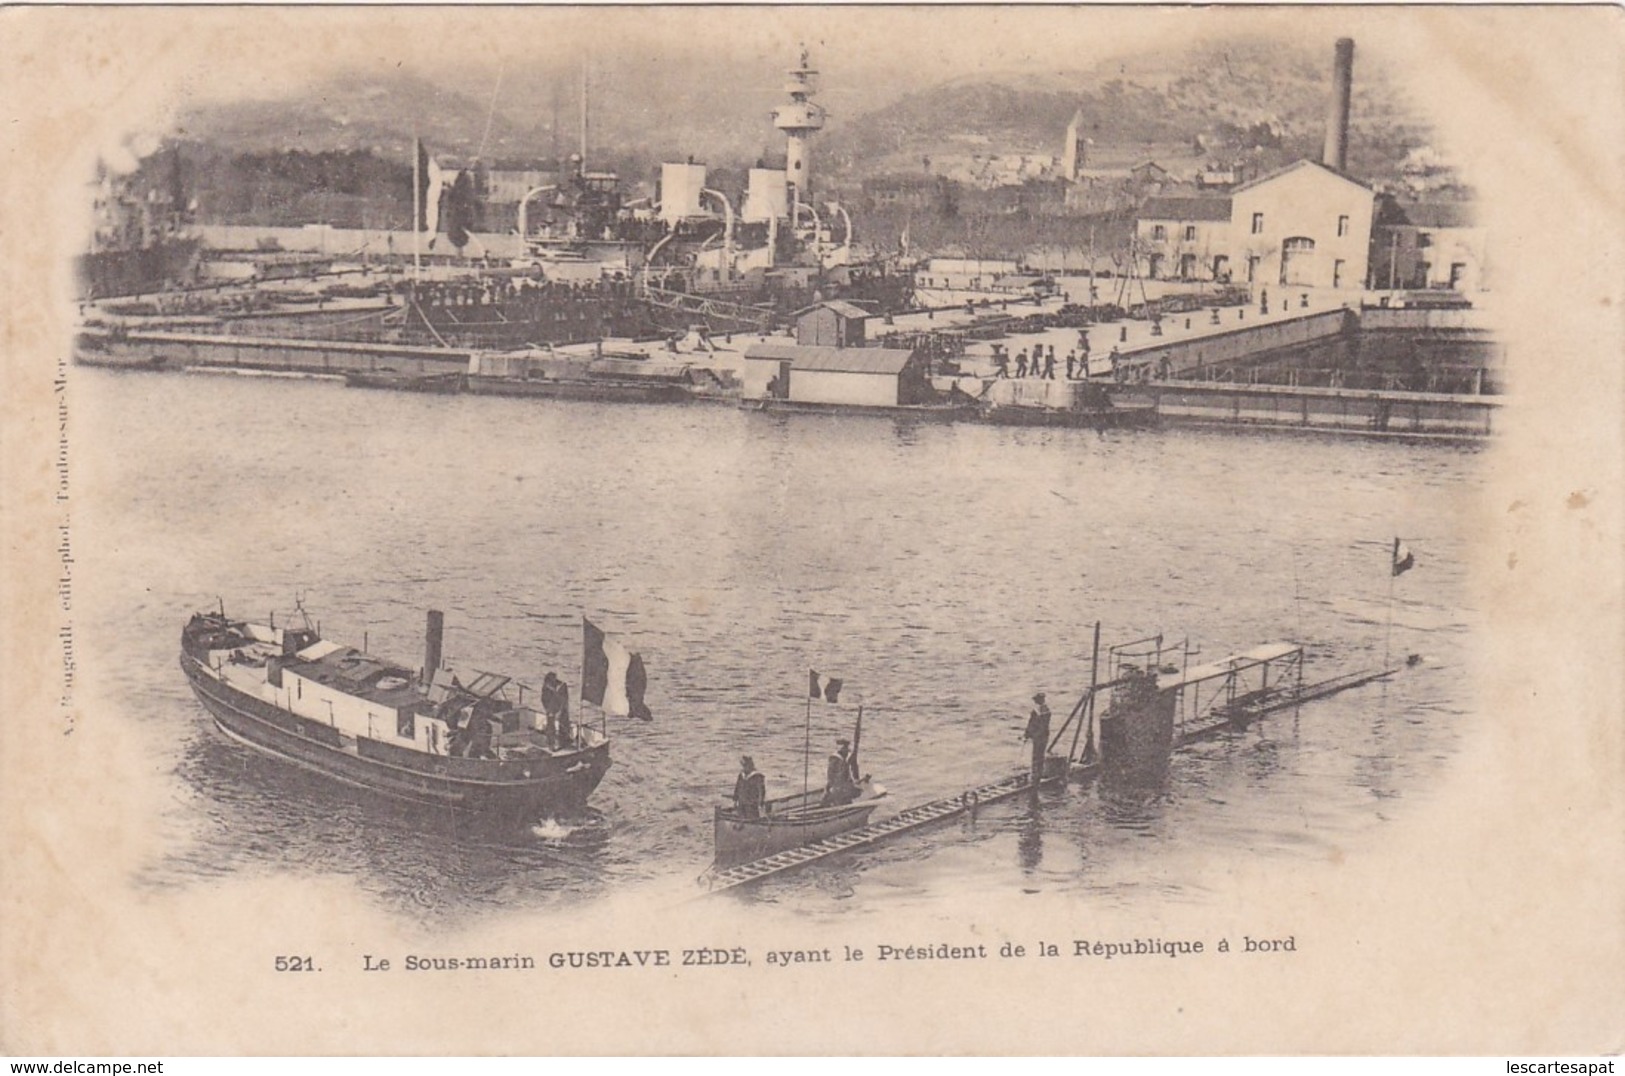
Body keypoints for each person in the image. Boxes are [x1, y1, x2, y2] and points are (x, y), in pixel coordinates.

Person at [1023, 692, 1052, 784]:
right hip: (1039, 736)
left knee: (1038, 755)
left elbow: (1041, 726)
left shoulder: (1043, 711)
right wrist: (1027, 733)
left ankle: (1037, 775)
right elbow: (1031, 723)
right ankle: (1036, 773)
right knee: (1037, 755)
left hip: (1040, 736)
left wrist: (1033, 734)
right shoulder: (1039, 710)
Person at [823, 739, 860, 806]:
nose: (847, 754)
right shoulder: (837, 761)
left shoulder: (841, 760)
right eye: (846, 751)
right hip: (838, 790)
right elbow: (838, 778)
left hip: (837, 788)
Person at [541, 672, 572, 747]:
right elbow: (544, 700)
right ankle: (551, 743)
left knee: (563, 722)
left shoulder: (561, 686)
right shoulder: (545, 688)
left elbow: (564, 700)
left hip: (561, 705)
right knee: (551, 724)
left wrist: (560, 709)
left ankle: (564, 740)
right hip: (551, 706)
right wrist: (549, 710)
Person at [733, 755, 767, 820]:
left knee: (752, 818)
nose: (744, 768)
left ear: (750, 766)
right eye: (743, 766)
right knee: (741, 817)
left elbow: (761, 792)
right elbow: (737, 788)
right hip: (741, 802)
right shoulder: (741, 776)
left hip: (752, 804)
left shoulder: (757, 777)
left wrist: (760, 803)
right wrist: (735, 799)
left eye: (745, 766)